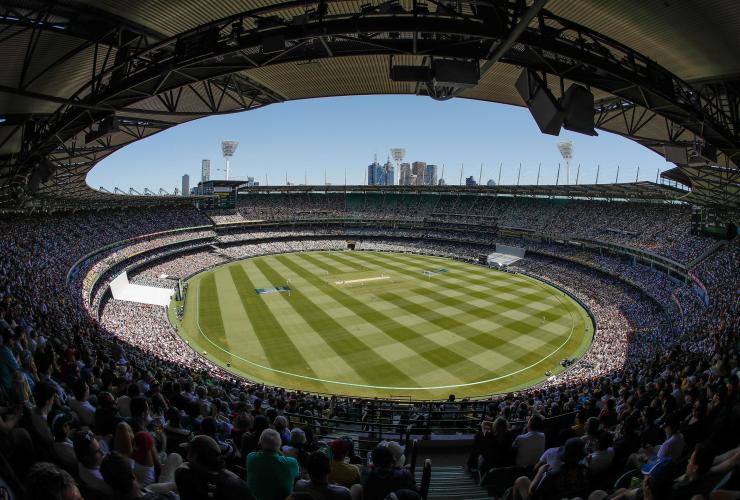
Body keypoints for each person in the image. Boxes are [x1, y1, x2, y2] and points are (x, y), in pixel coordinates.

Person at [176, 434, 255, 500]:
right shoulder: (236, 481)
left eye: (188, 453)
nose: (186, 457)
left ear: (195, 456)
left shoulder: (184, 475)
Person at [512, 438, 589, 500]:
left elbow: (532, 491)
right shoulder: (584, 471)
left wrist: (540, 472)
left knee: (521, 480)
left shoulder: (552, 475)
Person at [246, 428, 299, 500]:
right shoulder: (291, 462)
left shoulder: (251, 457)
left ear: (260, 442)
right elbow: (296, 475)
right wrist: (279, 452)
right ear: (279, 444)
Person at [100, 451, 177, 499]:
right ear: (132, 474)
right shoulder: (166, 497)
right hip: (152, 492)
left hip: (147, 490)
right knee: (175, 457)